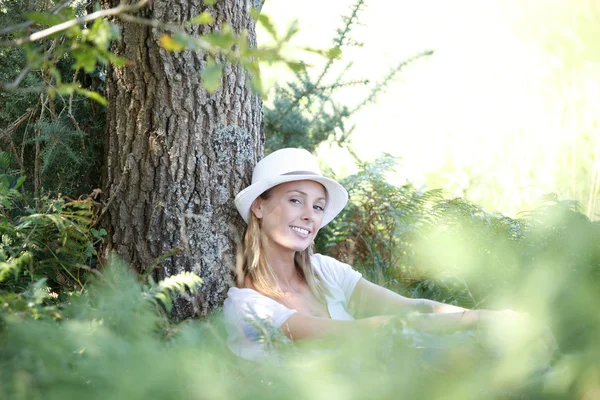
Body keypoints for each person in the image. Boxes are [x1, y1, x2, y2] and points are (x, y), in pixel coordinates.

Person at [222, 148, 550, 364]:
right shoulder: (248, 306)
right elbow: (374, 329)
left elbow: (410, 308)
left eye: (318, 206)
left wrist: (497, 318)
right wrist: (478, 320)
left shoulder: (325, 271)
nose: (310, 215)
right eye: (296, 200)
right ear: (259, 206)